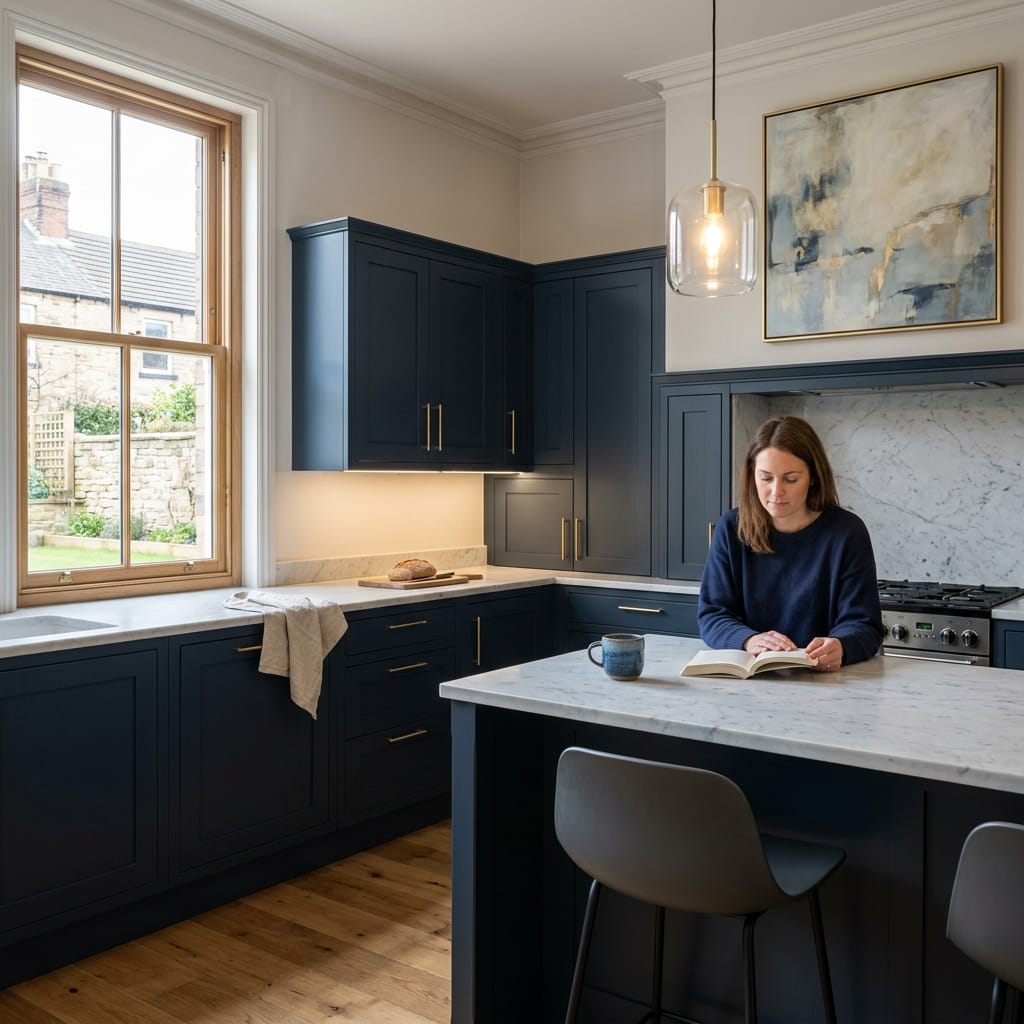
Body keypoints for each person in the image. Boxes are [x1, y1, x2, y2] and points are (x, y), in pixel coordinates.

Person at [698, 415, 883, 671]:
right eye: (765, 478)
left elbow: (865, 625)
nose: (776, 491)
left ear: (813, 477)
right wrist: (749, 640)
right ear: (752, 476)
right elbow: (713, 615)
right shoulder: (731, 528)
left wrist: (841, 645)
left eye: (791, 479)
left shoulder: (846, 532)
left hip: (828, 688)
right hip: (751, 687)